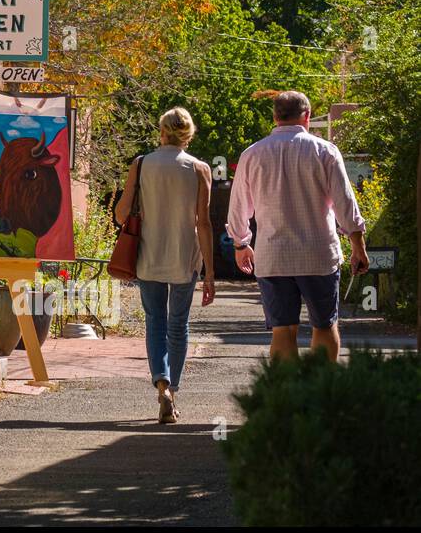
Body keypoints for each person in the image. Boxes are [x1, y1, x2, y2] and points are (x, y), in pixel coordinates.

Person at [226, 90, 369, 361]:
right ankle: (319, 394)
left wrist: (241, 243)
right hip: (318, 256)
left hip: (273, 257)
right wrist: (357, 245)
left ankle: (287, 398)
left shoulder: (252, 154)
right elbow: (345, 203)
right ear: (307, 115)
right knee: (325, 326)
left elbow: (238, 208)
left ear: (275, 116)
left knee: (282, 331)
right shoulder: (325, 151)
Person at [115, 107, 215, 424]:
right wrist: (210, 272)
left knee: (155, 321)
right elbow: (204, 224)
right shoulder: (199, 169)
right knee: (178, 325)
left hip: (149, 256)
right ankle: (174, 387)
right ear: (188, 134)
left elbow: (120, 215)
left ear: (162, 131)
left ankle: (162, 383)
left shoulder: (141, 164)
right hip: (186, 257)